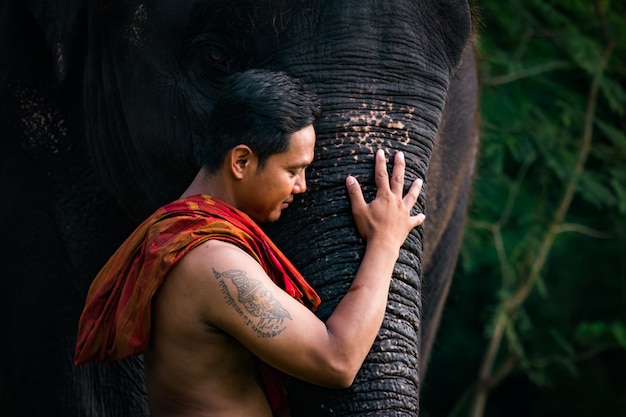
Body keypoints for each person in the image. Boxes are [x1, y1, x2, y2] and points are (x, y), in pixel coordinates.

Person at [74, 69, 425, 417]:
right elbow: (337, 360)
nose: (301, 186)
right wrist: (386, 241)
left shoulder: (182, 235)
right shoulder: (212, 261)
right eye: (292, 170)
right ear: (241, 161)